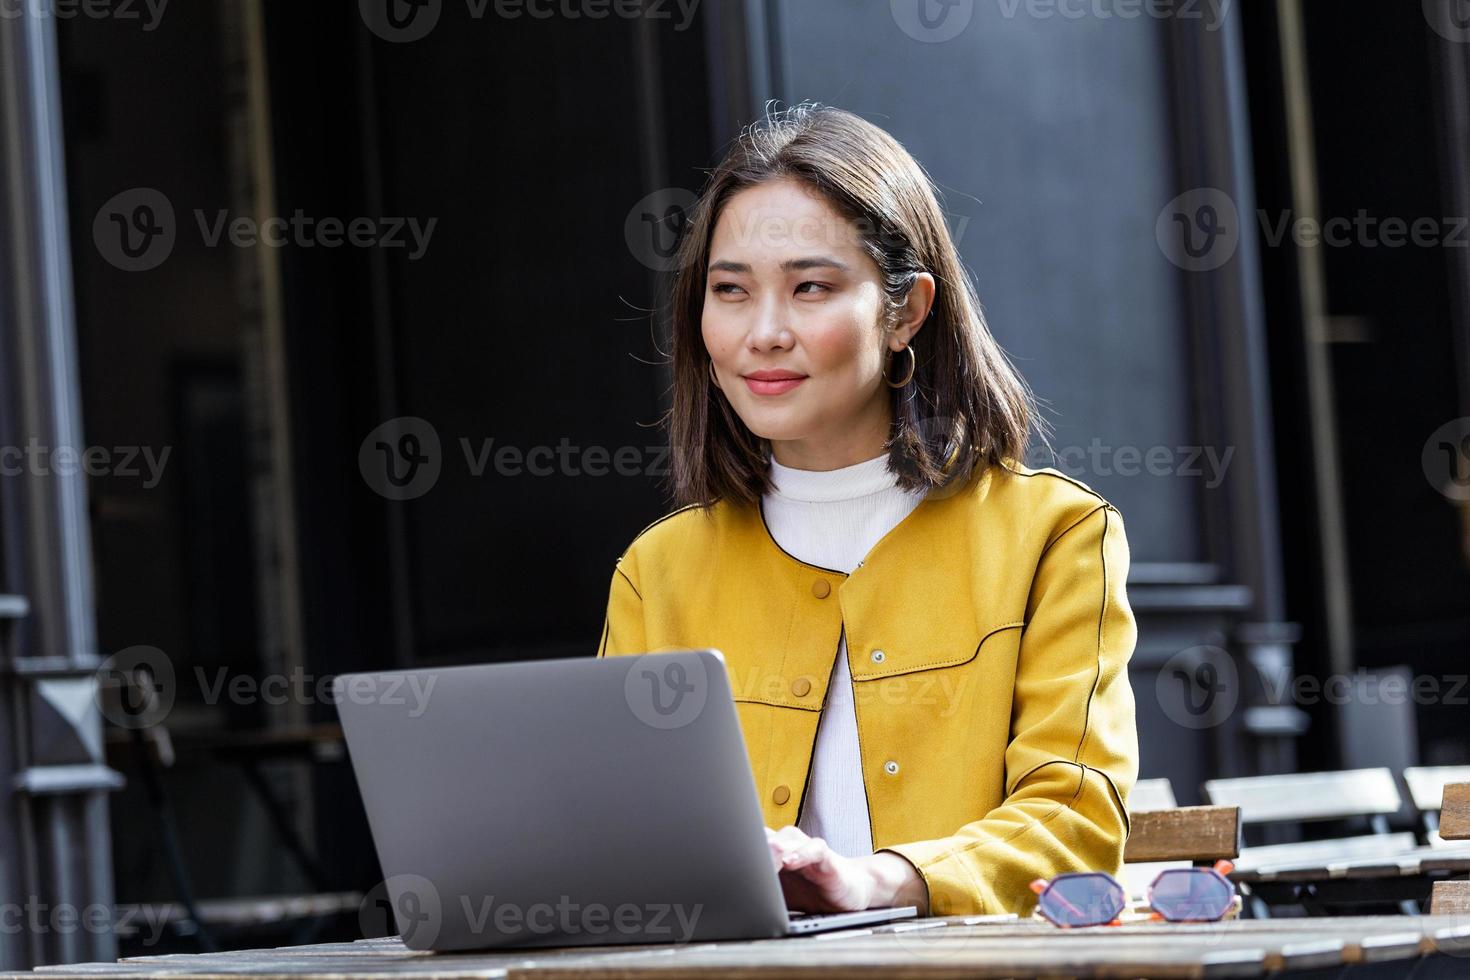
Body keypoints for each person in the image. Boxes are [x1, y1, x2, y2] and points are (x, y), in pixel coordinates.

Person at [598, 102, 1138, 918]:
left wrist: (877, 881)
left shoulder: (1054, 537)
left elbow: (1072, 817)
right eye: (731, 291)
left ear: (905, 312)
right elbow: (612, 837)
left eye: (810, 287)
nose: (765, 332)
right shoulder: (658, 573)